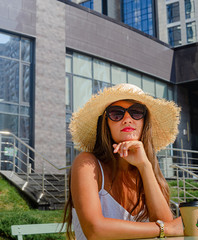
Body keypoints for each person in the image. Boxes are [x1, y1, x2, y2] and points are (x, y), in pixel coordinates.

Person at [62, 83, 184, 240]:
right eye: (116, 114)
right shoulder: (87, 164)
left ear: (144, 122)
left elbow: (169, 229)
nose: (127, 119)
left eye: (136, 112)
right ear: (106, 123)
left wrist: (145, 165)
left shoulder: (146, 169)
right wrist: (163, 228)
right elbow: (95, 230)